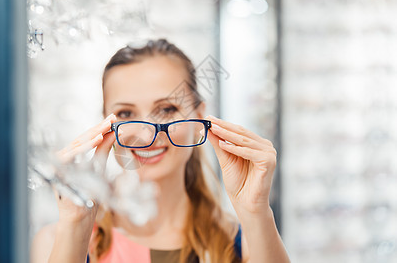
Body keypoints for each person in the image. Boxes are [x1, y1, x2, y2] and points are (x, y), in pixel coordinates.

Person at [31, 39, 290, 263]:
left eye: (167, 109)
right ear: (106, 123)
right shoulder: (58, 241)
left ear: (198, 116)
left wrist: (255, 211)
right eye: (126, 113)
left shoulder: (247, 245)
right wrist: (75, 225)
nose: (146, 135)